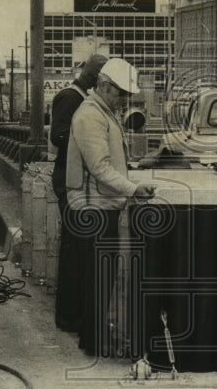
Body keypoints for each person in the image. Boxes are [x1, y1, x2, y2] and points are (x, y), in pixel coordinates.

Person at [64, 58, 156, 357]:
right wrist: (133, 188)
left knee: (98, 278)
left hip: (100, 205)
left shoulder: (101, 112)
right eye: (120, 94)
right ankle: (94, 341)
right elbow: (100, 167)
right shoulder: (91, 116)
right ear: (104, 87)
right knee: (97, 279)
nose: (123, 100)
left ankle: (94, 337)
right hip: (94, 208)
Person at [50, 53, 107, 332]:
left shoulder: (83, 98)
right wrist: (87, 142)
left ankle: (72, 313)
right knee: (73, 250)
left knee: (74, 249)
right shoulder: (71, 98)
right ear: (95, 77)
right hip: (69, 180)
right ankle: (68, 316)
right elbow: (57, 134)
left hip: (76, 179)